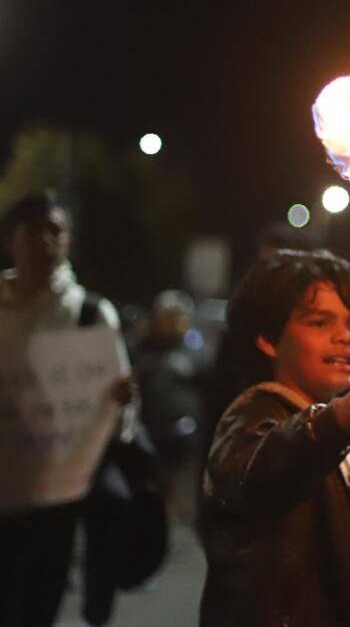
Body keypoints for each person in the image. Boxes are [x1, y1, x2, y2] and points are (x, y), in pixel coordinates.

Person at [197, 248, 350, 627]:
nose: (346, 339)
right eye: (320, 323)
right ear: (268, 338)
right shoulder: (252, 416)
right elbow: (266, 475)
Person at [0, 190, 135, 627]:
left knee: (37, 608)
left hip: (56, 503)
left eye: (55, 231)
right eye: (34, 229)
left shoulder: (92, 316)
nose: (44, 241)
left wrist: (123, 401)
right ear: (11, 240)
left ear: (68, 242)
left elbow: (120, 420)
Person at [133, 289, 207, 519]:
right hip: (150, 434)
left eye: (178, 317)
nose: (173, 323)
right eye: (167, 317)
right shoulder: (142, 349)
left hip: (185, 439)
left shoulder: (196, 351)